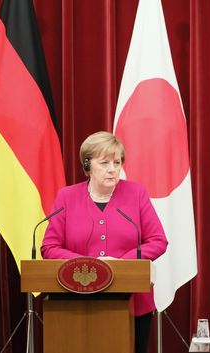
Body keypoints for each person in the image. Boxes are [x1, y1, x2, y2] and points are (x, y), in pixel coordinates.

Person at [41, 131, 168, 353]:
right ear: (87, 166)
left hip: (133, 302)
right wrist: (90, 263)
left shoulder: (136, 193)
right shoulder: (66, 197)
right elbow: (49, 248)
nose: (113, 169)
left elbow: (158, 240)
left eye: (117, 162)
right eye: (105, 163)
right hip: (75, 303)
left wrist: (119, 262)